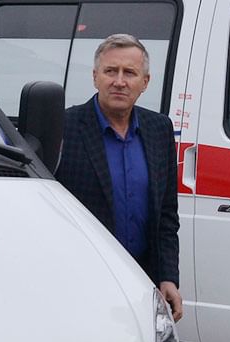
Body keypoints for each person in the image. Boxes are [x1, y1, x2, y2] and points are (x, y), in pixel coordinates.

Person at [55, 34, 182, 320]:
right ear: (95, 77)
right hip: (82, 284)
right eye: (110, 71)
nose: (119, 81)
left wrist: (168, 277)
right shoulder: (65, 128)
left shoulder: (159, 130)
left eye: (130, 73)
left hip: (142, 282)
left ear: (145, 82)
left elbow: (166, 217)